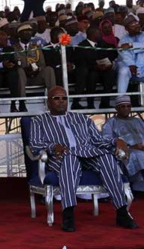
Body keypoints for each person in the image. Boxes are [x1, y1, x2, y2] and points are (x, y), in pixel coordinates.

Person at [30, 86, 137, 232]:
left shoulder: (81, 118)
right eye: (57, 98)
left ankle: (122, 212)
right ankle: (68, 214)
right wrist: (53, 146)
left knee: (107, 157)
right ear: (48, 102)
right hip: (64, 155)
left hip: (88, 152)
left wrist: (115, 141)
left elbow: (97, 140)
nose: (61, 101)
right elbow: (35, 144)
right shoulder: (39, 121)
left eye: (64, 98)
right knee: (69, 161)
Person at [102, 95, 144, 192]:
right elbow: (106, 140)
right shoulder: (111, 122)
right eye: (123, 106)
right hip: (125, 152)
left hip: (141, 149)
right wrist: (130, 146)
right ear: (116, 108)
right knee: (138, 155)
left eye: (128, 106)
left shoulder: (138, 121)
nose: (126, 109)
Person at [117, 14, 144, 94]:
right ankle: (121, 99)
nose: (136, 26)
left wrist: (131, 45)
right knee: (123, 71)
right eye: (132, 25)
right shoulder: (123, 40)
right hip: (131, 68)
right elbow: (124, 54)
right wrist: (131, 65)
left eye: (137, 23)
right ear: (126, 28)